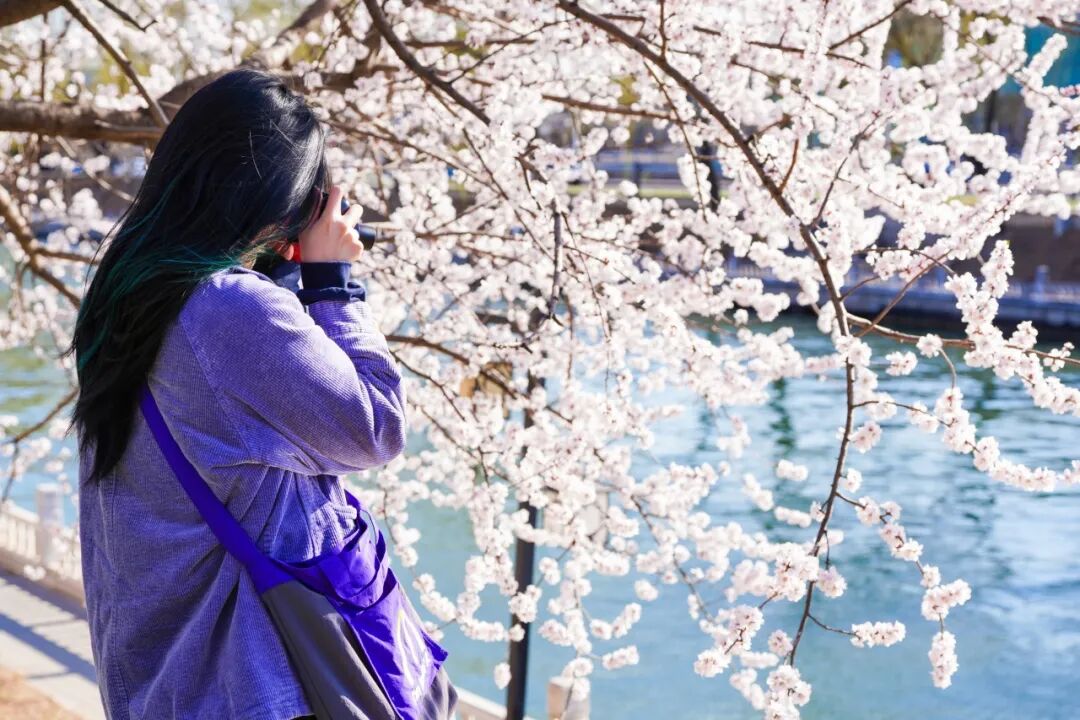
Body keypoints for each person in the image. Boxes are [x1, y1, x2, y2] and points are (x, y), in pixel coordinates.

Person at [69, 68, 420, 720]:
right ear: (273, 199)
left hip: (165, 684)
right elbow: (378, 426)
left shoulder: (126, 293)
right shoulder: (231, 308)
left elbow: (227, 407)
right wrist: (331, 282)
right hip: (252, 689)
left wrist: (276, 271)